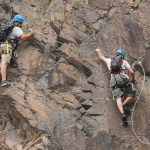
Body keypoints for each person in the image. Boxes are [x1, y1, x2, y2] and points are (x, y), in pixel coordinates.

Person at [96, 48, 136, 127]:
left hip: (114, 80)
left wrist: (98, 51)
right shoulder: (124, 62)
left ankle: (122, 113)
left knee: (118, 98)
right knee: (132, 94)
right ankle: (124, 104)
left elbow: (101, 57)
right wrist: (133, 80)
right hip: (123, 79)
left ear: (116, 55)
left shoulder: (109, 61)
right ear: (123, 56)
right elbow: (131, 72)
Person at [0, 15, 33, 86]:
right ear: (19, 23)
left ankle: (3, 79)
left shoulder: (9, 27)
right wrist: (30, 34)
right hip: (7, 46)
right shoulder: (16, 28)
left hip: (2, 45)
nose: (22, 24)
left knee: (3, 62)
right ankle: (3, 81)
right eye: (22, 23)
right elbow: (23, 37)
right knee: (4, 62)